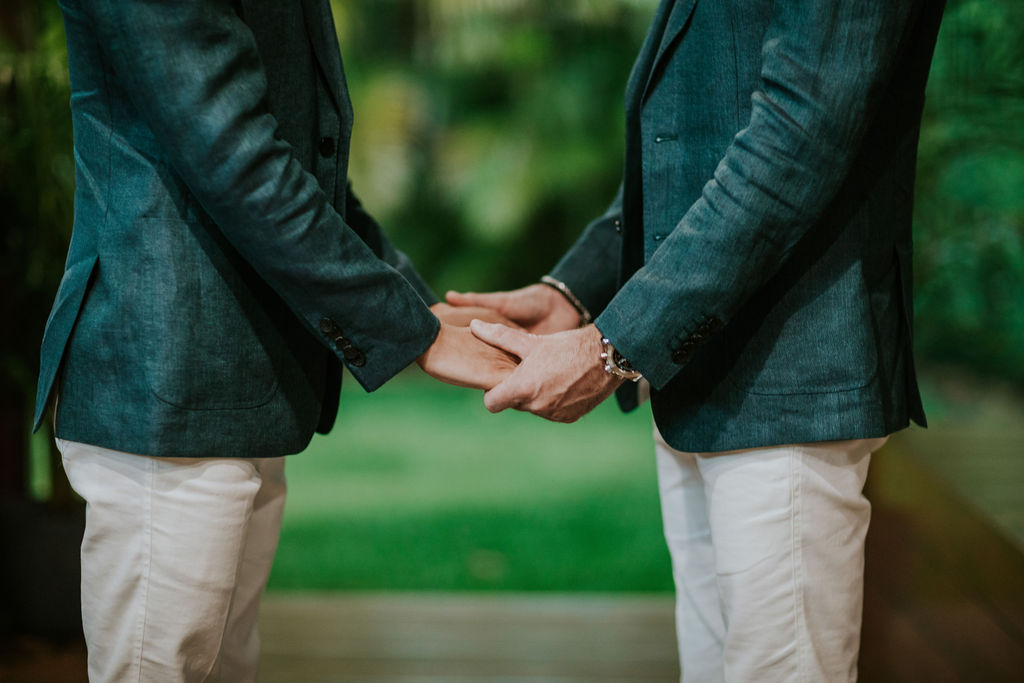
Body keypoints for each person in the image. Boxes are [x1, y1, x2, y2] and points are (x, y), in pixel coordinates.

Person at [449, 1, 945, 680]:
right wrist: (579, 290)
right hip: (698, 371)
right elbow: (692, 132)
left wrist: (616, 344)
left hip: (789, 374)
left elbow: (799, 135)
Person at [34, 0, 513, 680]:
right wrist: (414, 335)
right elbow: (238, 160)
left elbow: (298, 153)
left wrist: (418, 306)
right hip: (168, 387)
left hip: (248, 383)